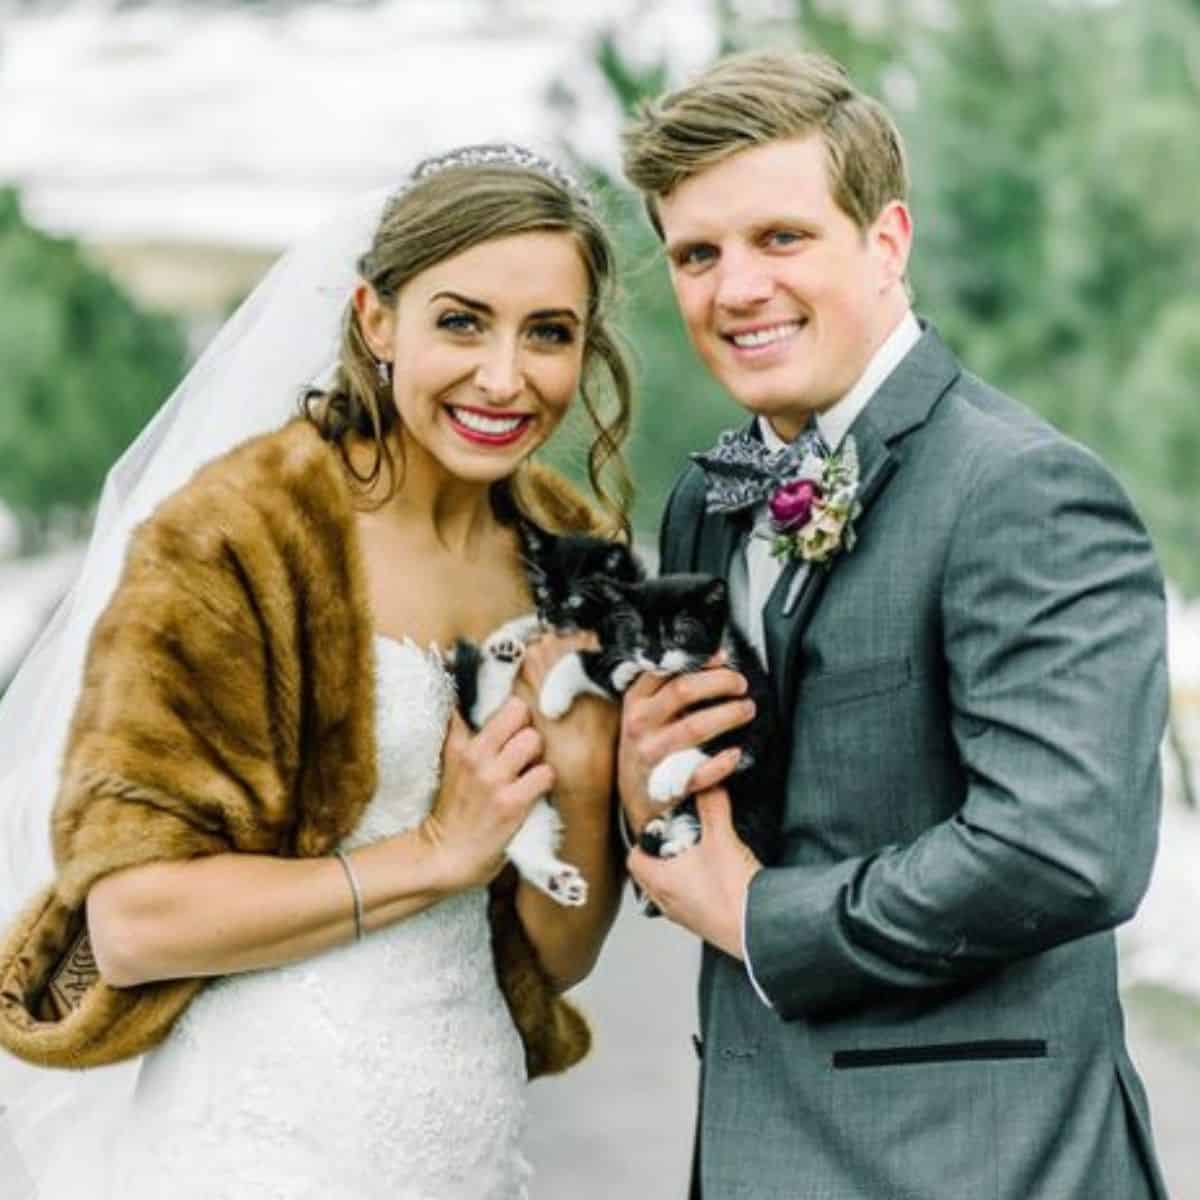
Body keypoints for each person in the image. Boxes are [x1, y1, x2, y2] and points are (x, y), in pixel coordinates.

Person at [0, 145, 631, 1199]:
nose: (506, 377)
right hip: (258, 1141)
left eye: (549, 334)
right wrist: (434, 854)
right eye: (462, 322)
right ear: (377, 323)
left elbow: (558, 959)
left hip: (466, 1137)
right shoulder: (230, 542)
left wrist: (587, 771)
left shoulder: (569, 556)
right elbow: (131, 923)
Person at [616, 50, 1170, 1199]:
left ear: (887, 241)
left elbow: (1063, 849)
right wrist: (651, 778)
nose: (734, 290)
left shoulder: (1021, 491)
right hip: (756, 1150)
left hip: (977, 1160)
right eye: (696, 255)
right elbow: (748, 804)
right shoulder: (707, 494)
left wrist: (764, 918)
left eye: (781, 239)